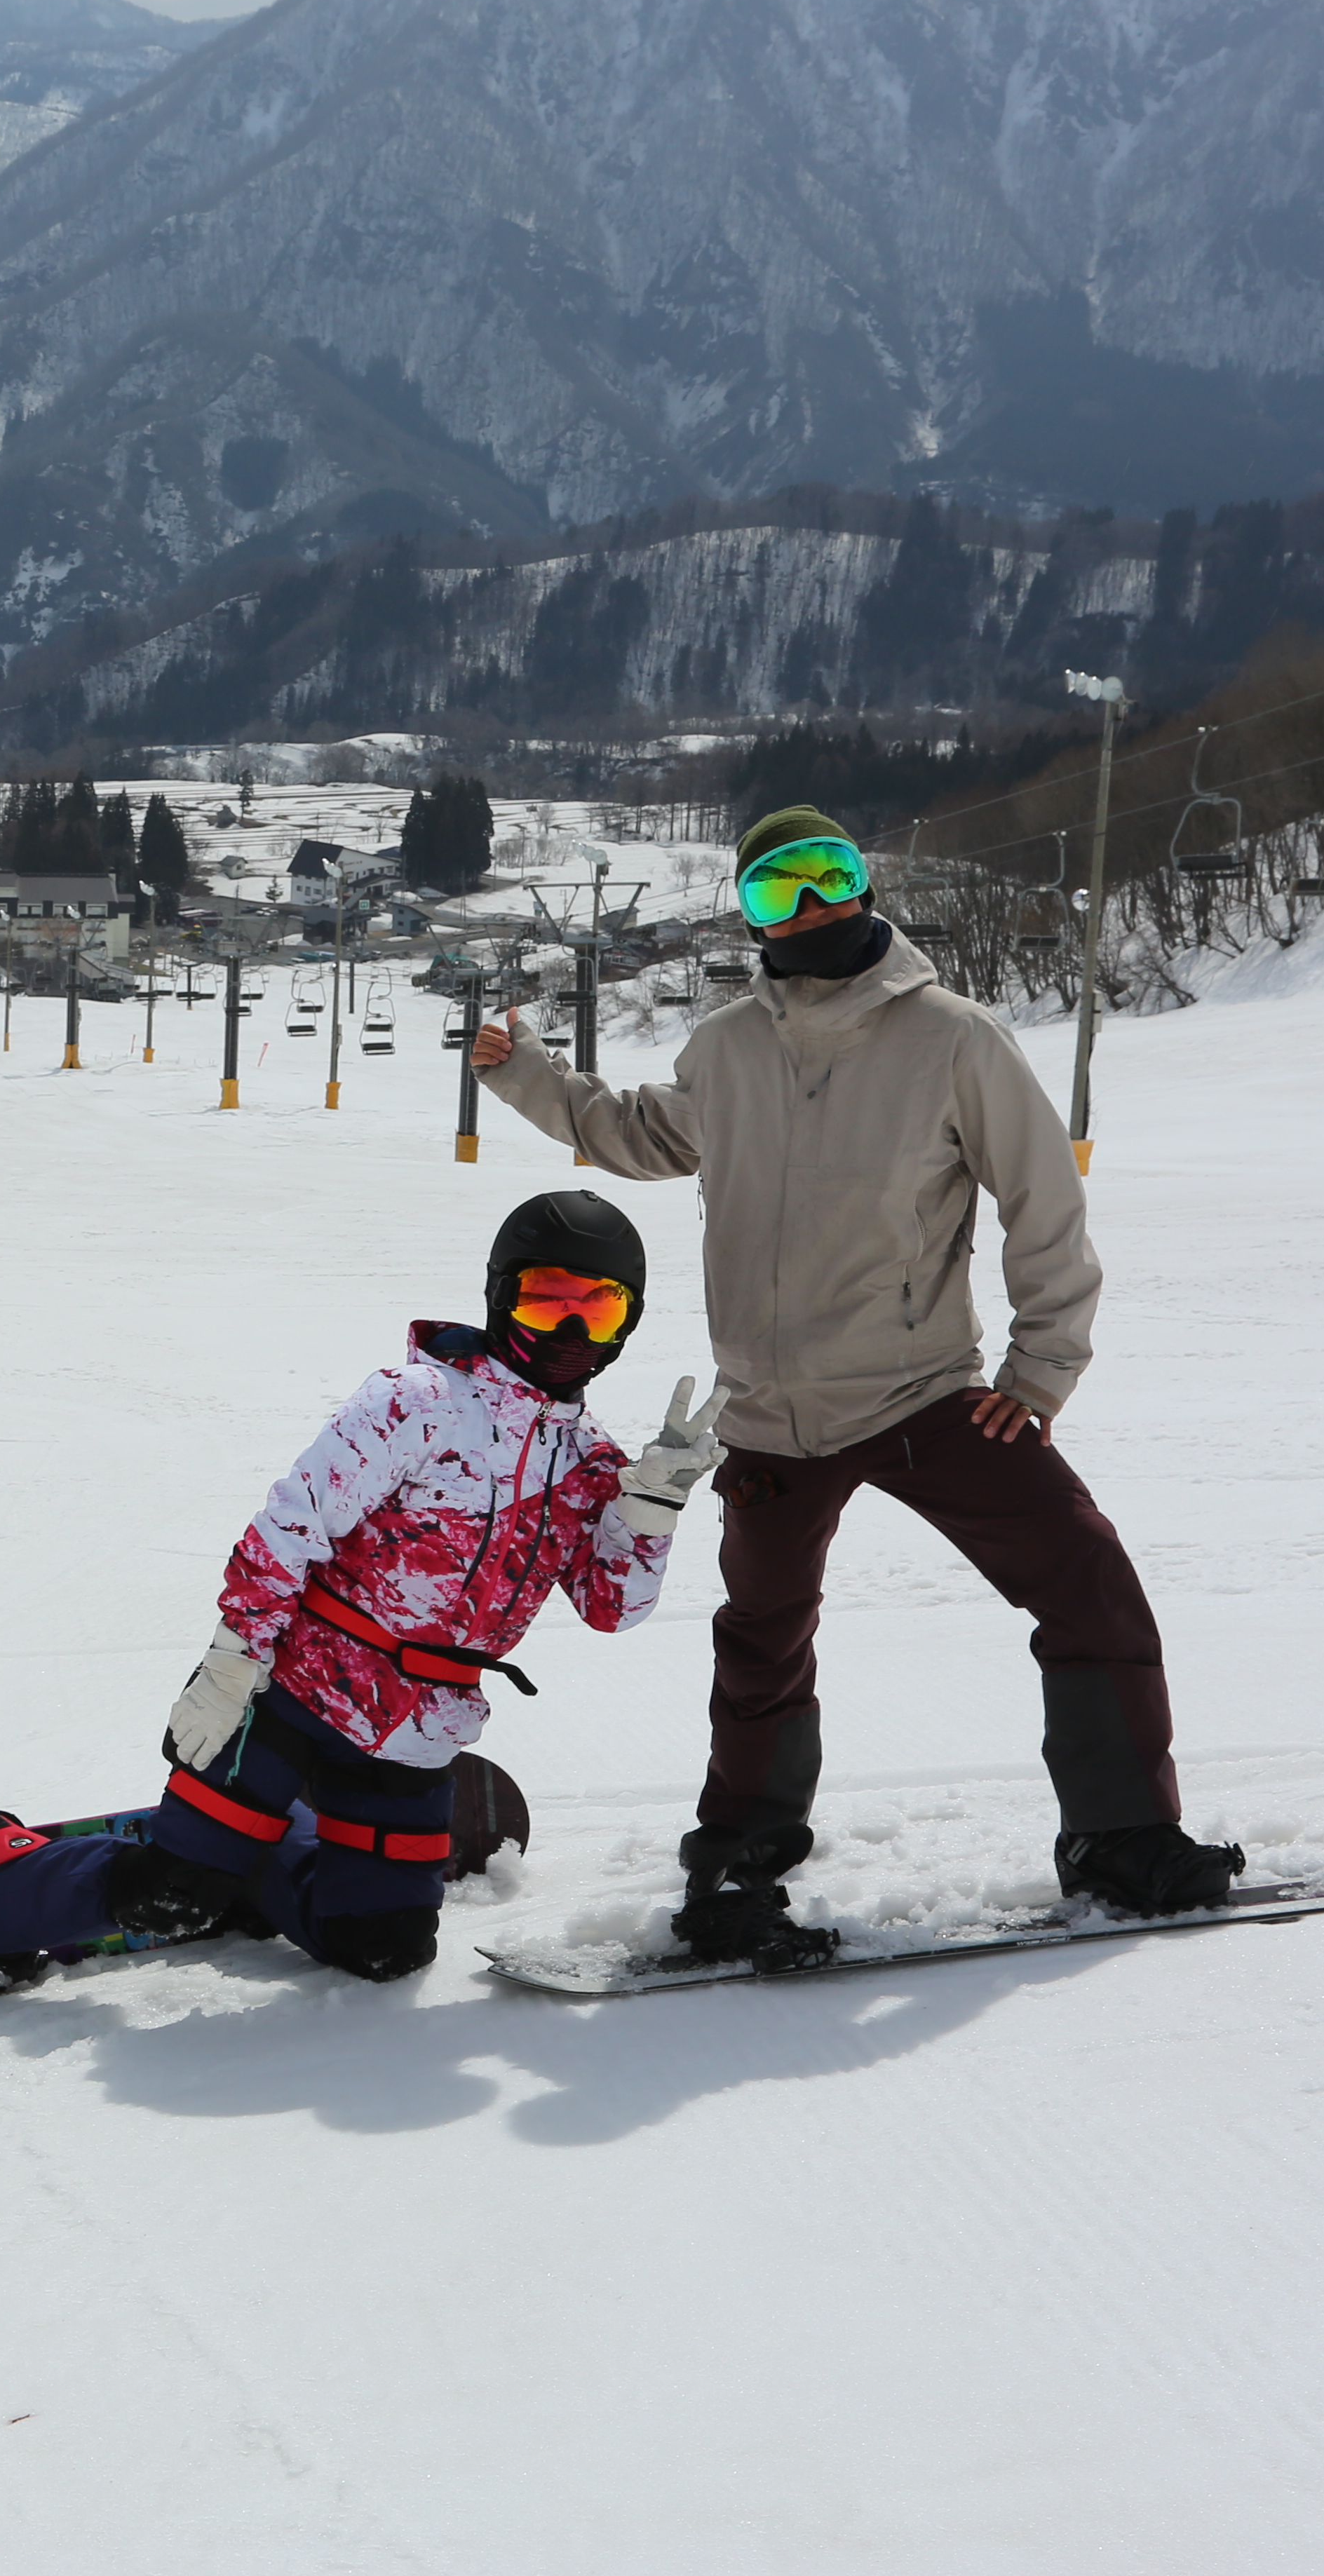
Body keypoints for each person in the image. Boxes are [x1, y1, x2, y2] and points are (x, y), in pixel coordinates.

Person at [466, 805, 1243, 1970]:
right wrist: (517, 1071)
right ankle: (736, 1877)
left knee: (1088, 1586)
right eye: (782, 889)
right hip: (771, 1418)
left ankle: (1124, 1840)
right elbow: (636, 1134)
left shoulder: (955, 1039)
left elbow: (1043, 1202)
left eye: (831, 875)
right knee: (761, 1652)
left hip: (927, 1396)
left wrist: (1039, 1369)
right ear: (752, 914)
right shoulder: (727, 1048)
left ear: (866, 885)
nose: (814, 904)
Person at [0, 1193, 722, 1988]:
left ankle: (260, 1857)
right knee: (174, 1897)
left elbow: (613, 1608)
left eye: (595, 1308)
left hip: (417, 1731)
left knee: (384, 1950)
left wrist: (648, 1510)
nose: (566, 1328)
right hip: (292, 1691)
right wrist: (230, 1661)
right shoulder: (416, 1404)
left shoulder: (591, 1465)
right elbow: (288, 1529)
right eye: (544, 1296)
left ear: (625, 1325)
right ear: (500, 1294)